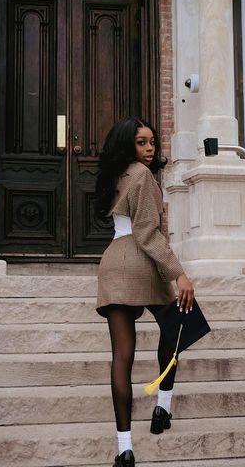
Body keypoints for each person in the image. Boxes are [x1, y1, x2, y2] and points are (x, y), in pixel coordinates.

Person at [94, 117, 194, 467]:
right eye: (141, 142)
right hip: (141, 262)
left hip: (113, 263)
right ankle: (162, 407)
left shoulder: (115, 175)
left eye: (152, 142)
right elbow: (149, 234)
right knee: (179, 325)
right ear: (128, 145)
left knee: (122, 356)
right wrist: (179, 274)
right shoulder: (142, 176)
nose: (149, 149)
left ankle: (124, 449)